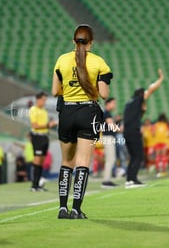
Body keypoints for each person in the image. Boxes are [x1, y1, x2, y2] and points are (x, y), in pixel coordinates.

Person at [52, 24, 112, 219]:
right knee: (83, 162)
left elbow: (55, 91)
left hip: (67, 112)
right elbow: (104, 94)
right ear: (91, 43)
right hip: (88, 112)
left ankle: (62, 208)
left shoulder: (62, 60)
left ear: (73, 41)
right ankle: (76, 209)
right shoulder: (98, 62)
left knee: (66, 161)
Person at [123, 69, 164, 189]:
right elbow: (151, 89)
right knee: (139, 155)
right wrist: (161, 78)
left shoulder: (129, 103)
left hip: (127, 132)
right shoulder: (138, 100)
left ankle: (129, 180)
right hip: (133, 132)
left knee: (133, 156)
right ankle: (133, 180)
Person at [29, 91, 57, 192]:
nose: (44, 102)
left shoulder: (44, 111)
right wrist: (48, 125)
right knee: (37, 159)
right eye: (43, 100)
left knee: (41, 161)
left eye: (45, 100)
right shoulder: (34, 110)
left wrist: (50, 125)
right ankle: (34, 185)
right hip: (37, 137)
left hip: (45, 136)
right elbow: (34, 125)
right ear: (38, 99)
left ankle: (38, 184)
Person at [101, 97, 118, 188]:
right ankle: (106, 181)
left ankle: (107, 179)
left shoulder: (107, 113)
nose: (114, 105)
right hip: (108, 137)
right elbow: (113, 127)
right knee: (110, 159)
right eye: (113, 103)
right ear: (108, 103)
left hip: (107, 137)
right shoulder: (106, 113)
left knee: (110, 159)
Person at [153, 113, 169, 177]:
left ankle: (157, 170)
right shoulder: (166, 125)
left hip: (157, 142)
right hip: (164, 142)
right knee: (163, 156)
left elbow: (153, 133)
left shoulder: (156, 125)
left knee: (157, 157)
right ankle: (163, 170)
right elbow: (168, 134)